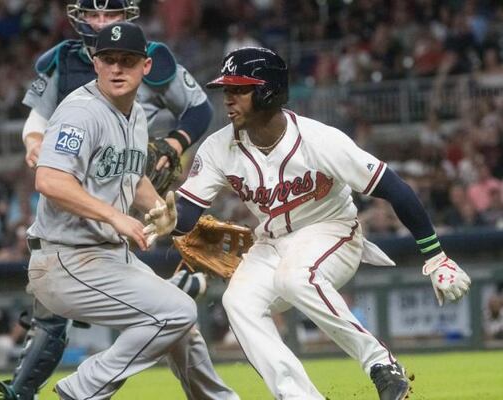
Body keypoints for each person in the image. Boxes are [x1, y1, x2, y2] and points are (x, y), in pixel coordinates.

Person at [143, 47, 472, 400]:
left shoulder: (319, 140)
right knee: (239, 301)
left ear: (267, 90)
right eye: (227, 90)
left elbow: (395, 188)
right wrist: (172, 221)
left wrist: (435, 255)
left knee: (295, 277)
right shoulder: (218, 147)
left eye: (238, 89)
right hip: (270, 241)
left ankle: (381, 364)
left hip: (332, 230)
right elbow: (187, 213)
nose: (228, 98)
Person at [0, 1, 218, 399]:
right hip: (67, 258)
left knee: (181, 323)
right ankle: (80, 391)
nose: (116, 68)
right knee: (178, 312)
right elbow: (49, 180)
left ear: (146, 67)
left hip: (102, 257)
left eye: (127, 60)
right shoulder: (80, 111)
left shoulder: (134, 115)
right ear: (95, 63)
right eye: (108, 59)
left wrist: (155, 208)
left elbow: (132, 175)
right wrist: (116, 217)